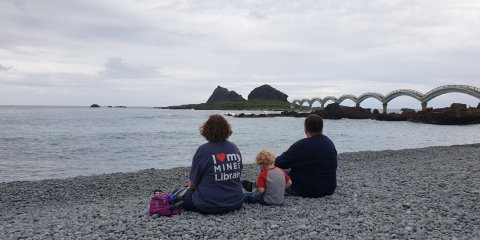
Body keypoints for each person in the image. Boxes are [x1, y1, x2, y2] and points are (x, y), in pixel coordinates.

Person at [182, 114, 244, 214]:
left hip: (208, 204)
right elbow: (237, 174)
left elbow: (192, 184)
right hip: (235, 201)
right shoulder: (234, 148)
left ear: (206, 130)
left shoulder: (203, 150)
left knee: (182, 193)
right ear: (227, 129)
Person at [275, 114, 337, 198]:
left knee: (273, 172)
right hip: (329, 189)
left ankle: (256, 186)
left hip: (306, 190)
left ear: (305, 128)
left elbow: (278, 163)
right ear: (321, 128)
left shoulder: (301, 145)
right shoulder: (329, 143)